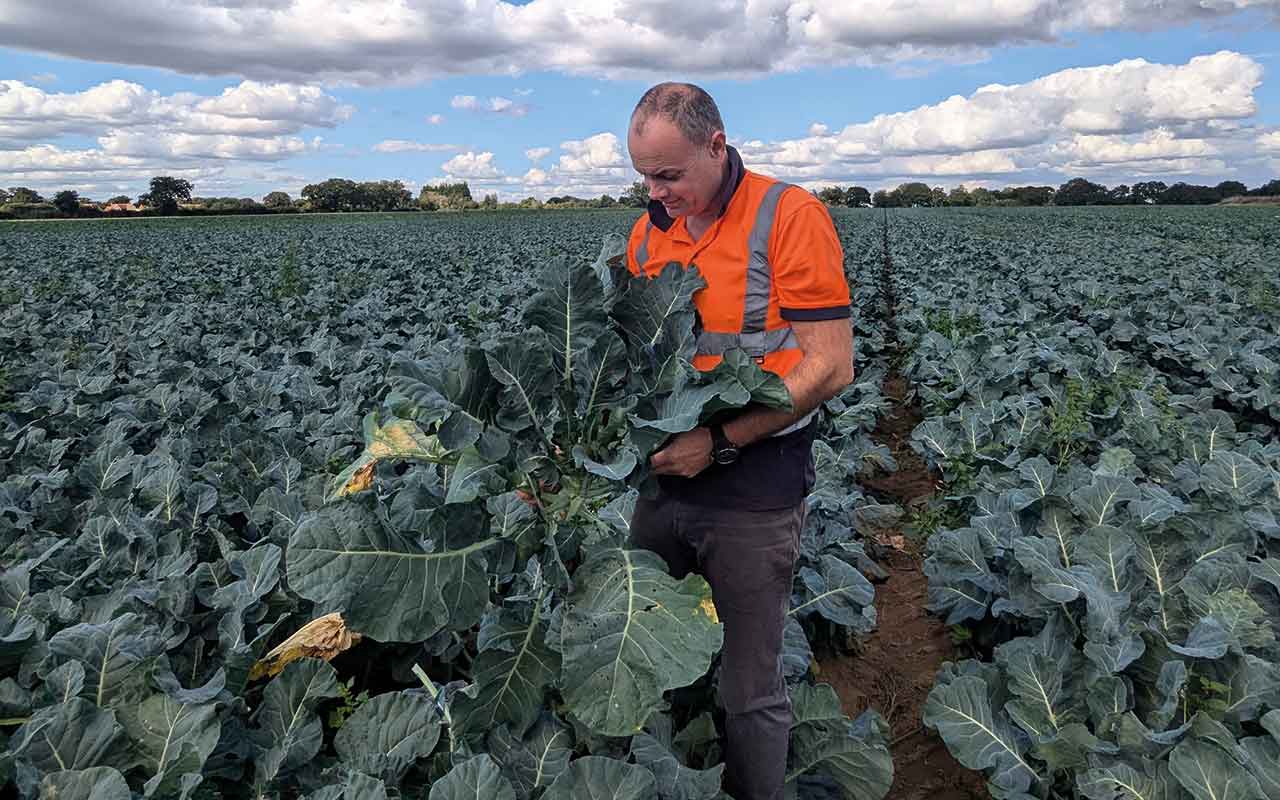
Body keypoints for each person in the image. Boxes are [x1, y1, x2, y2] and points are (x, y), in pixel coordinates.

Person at [624, 83, 854, 800]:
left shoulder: (788, 215)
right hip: (664, 482)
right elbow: (627, 363)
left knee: (749, 685)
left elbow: (830, 365)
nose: (656, 192)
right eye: (644, 177)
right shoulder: (646, 233)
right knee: (634, 655)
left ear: (716, 147)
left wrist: (719, 442)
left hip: (754, 482)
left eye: (669, 174)